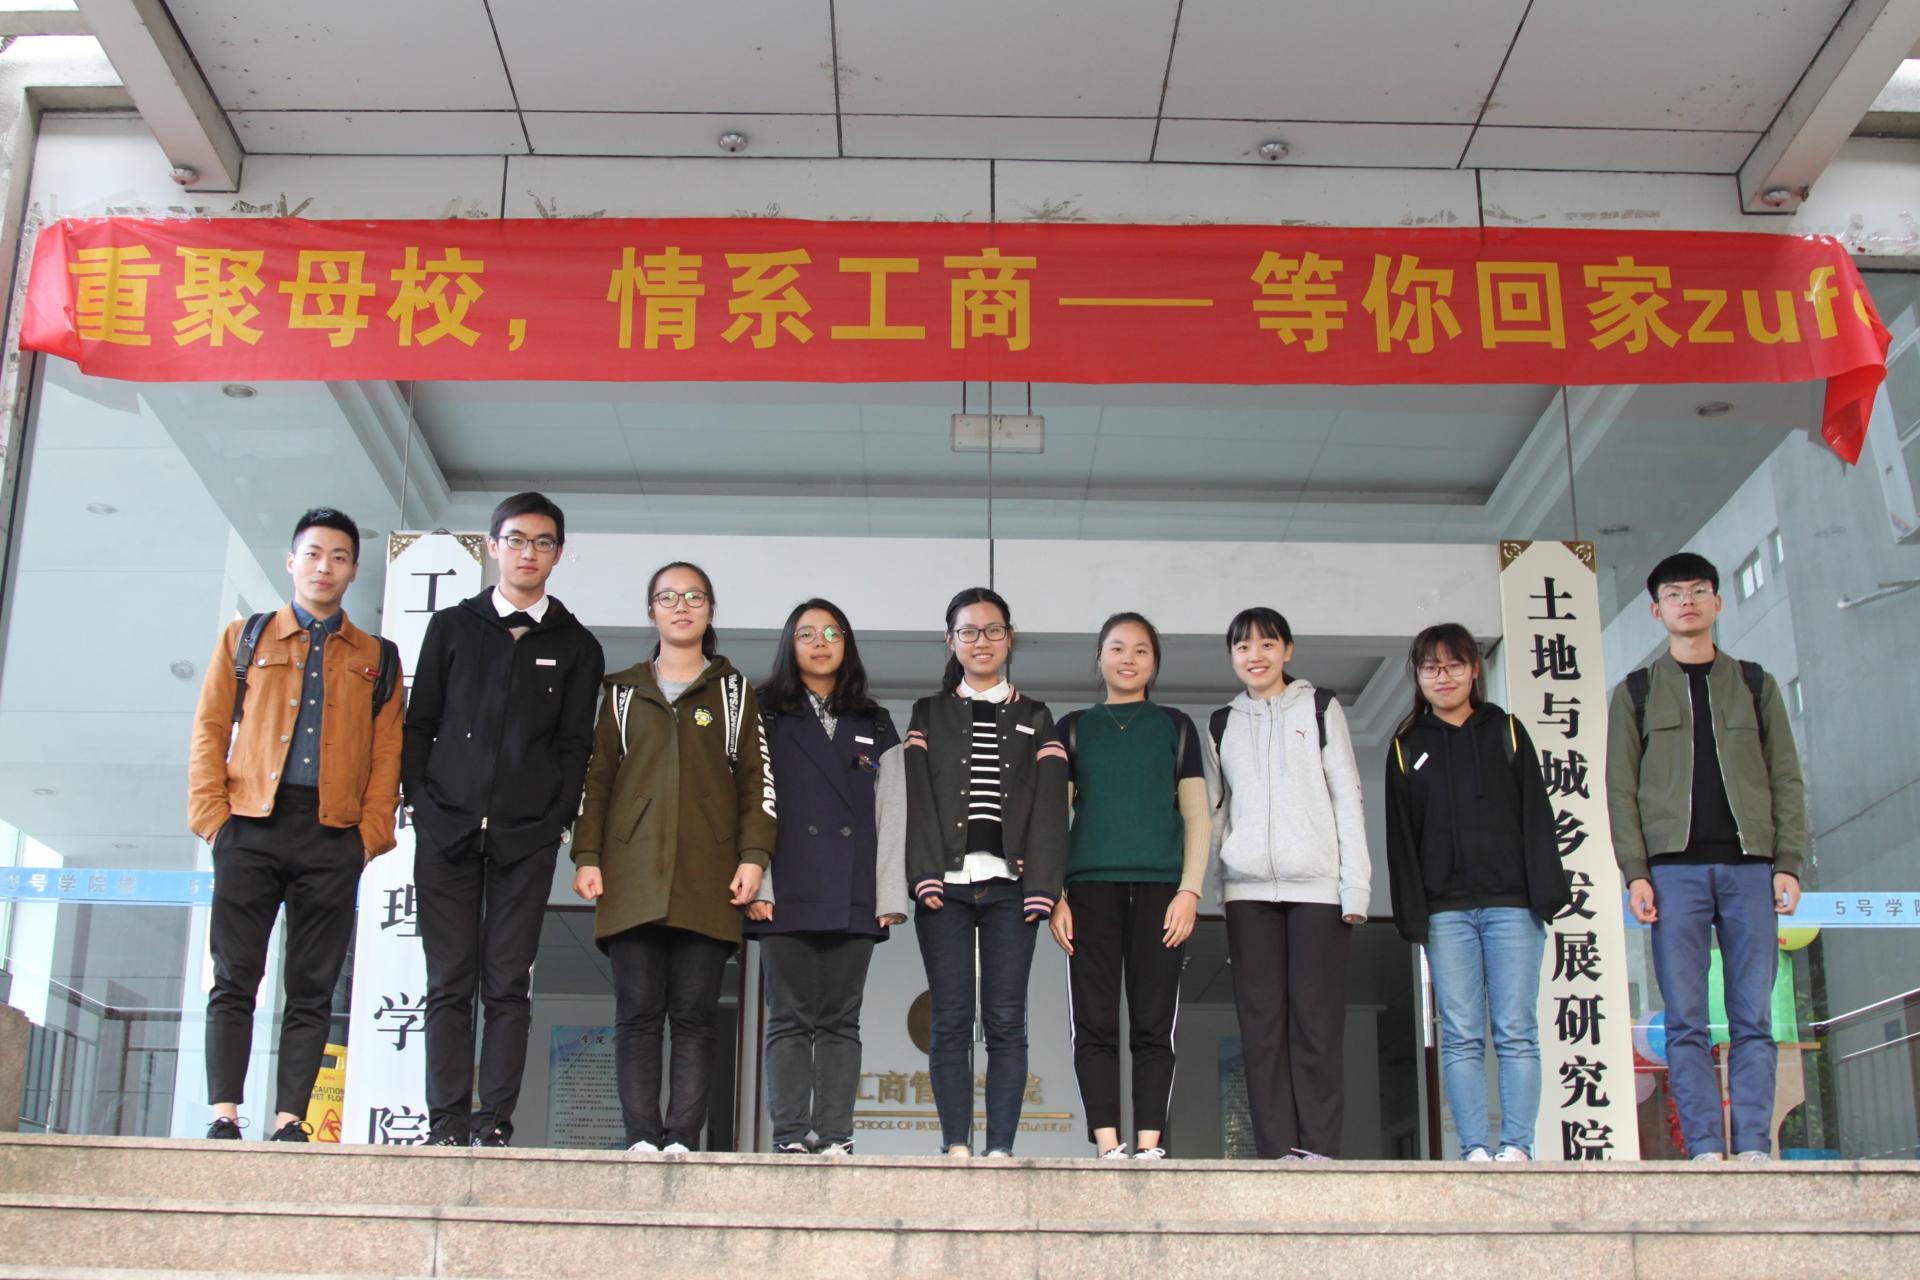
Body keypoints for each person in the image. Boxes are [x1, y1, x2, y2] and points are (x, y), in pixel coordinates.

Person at [186, 507, 402, 1142]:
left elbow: (388, 754)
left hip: (332, 833)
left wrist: (368, 837)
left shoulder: (377, 657)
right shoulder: (245, 638)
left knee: (312, 987)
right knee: (235, 977)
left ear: (354, 570)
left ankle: (289, 1120)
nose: (324, 567)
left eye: (339, 557)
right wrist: (213, 819)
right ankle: (224, 1112)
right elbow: (209, 728)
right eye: (313, 554)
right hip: (250, 823)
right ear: (291, 561)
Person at [402, 492, 605, 1147]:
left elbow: (575, 746)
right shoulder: (452, 627)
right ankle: (444, 1123)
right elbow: (420, 723)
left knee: (508, 984)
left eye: (542, 542)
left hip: (526, 838)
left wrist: (553, 821)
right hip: (447, 830)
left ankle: (492, 1123)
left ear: (558, 554)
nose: (528, 553)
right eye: (516, 540)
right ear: (493, 547)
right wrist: (422, 803)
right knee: (448, 981)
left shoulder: (577, 645)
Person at [1606, 552, 1806, 1163]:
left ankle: (1753, 1146)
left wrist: (1788, 860)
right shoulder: (1636, 692)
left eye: (1698, 591)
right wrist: (1636, 873)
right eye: (1674, 594)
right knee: (1686, 1020)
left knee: (1753, 1018)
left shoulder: (1755, 684)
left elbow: (1786, 778)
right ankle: (1704, 1148)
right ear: (1656, 611)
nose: (1686, 602)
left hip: (1750, 868)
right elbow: (1620, 791)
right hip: (1674, 874)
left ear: (1717, 602)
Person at [572, 561, 775, 1155]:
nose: (681, 607)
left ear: (710, 610)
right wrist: (588, 854)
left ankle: (683, 1136)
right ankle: (640, 1135)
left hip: (708, 874)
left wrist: (754, 857)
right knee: (637, 1012)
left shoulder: (735, 693)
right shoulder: (621, 691)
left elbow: (757, 783)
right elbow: (596, 780)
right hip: (630, 871)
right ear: (651, 610)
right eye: (668, 597)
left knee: (695, 1014)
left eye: (693, 597)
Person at [1384, 623, 1567, 1162]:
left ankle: (1517, 1146)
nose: (1443, 677)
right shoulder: (1406, 747)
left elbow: (1537, 815)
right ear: (1417, 677)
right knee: (1461, 1034)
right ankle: (1474, 1150)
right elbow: (1401, 840)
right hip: (1446, 913)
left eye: (1454, 665)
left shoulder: (1506, 731)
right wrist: (1412, 915)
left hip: (1513, 905)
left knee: (1517, 1031)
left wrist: (1545, 896)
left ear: (1474, 669)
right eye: (1431, 668)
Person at [905, 586, 1069, 1158]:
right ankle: (956, 1144)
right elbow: (916, 799)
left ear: (1010, 638)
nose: (982, 641)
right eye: (969, 631)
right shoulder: (927, 713)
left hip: (1011, 889)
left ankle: (1000, 1148)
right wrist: (923, 872)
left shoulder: (1035, 716)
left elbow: (1051, 807)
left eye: (993, 630)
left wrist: (1044, 885)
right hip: (944, 889)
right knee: (950, 1019)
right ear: (949, 639)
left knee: (1005, 1020)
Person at [746, 598, 907, 1156]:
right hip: (783, 885)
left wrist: (889, 893)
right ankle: (790, 1136)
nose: (820, 643)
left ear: (847, 644)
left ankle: (837, 1136)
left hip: (854, 888)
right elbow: (748, 802)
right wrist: (759, 882)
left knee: (842, 1020)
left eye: (832, 633)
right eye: (807, 633)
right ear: (789, 645)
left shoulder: (874, 719)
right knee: (788, 1017)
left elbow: (893, 809)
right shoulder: (763, 712)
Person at [1208, 606, 1368, 1161]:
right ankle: (1277, 1153)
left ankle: (1318, 1151)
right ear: (1232, 656)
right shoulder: (1222, 723)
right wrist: (1212, 886)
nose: (1255, 656)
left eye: (1267, 644)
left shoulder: (1320, 707)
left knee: (1316, 1025)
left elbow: (1347, 795)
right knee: (1261, 1028)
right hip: (1247, 892)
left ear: (1287, 650)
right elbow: (1217, 812)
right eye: (1243, 647)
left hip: (1317, 890)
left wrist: (1355, 888)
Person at [1050, 613, 1208, 1161]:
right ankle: (1107, 1144)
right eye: (1117, 648)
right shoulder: (1073, 728)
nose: (1128, 659)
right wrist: (1056, 895)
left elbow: (1197, 816)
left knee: (1154, 1024)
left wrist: (1190, 891)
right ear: (1099, 657)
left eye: (1141, 650)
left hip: (1163, 893)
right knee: (1093, 1024)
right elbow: (1053, 820)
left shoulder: (1176, 726)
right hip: (1089, 892)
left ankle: (1148, 1145)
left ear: (1154, 662)